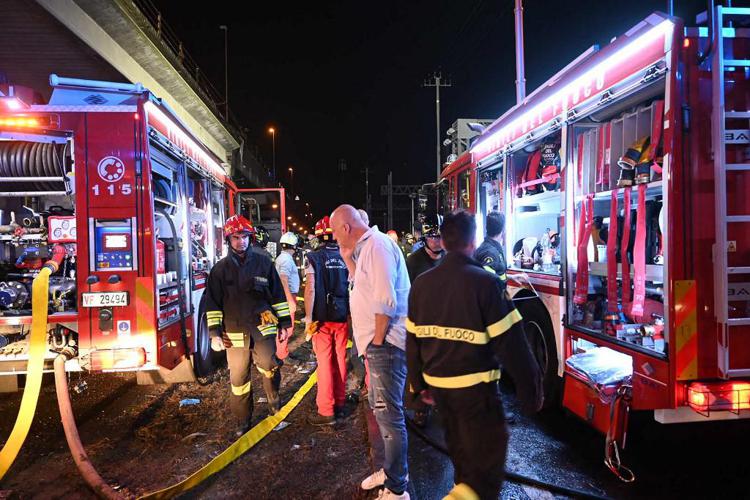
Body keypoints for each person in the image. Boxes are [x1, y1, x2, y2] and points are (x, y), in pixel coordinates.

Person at [406, 210, 543, 500]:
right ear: (472, 243)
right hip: (476, 396)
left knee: (463, 463)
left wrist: (419, 387)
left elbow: (413, 341)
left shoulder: (421, 285)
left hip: (441, 394)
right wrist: (531, 392)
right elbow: (513, 344)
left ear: (443, 242)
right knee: (486, 474)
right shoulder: (485, 283)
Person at [330, 205, 410, 500]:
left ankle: (397, 489)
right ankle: (393, 472)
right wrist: (348, 261)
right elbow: (363, 290)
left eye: (336, 231)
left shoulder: (377, 246)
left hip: (386, 345)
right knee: (383, 414)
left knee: (389, 418)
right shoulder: (366, 249)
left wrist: (376, 342)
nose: (334, 238)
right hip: (379, 345)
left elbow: (385, 300)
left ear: (347, 228)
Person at [205, 215, 293, 436]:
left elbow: (278, 295)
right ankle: (243, 420)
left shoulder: (264, 263)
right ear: (228, 239)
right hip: (234, 332)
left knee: (269, 365)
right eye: (235, 237)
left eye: (244, 237)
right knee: (238, 378)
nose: (240, 242)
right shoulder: (220, 270)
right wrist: (214, 333)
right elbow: (212, 304)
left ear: (250, 238)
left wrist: (284, 323)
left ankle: (274, 403)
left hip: (263, 328)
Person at [304, 216, 350, 425]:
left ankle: (326, 409)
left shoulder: (313, 257)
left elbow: (311, 288)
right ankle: (340, 402)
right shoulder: (347, 255)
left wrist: (308, 318)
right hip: (342, 317)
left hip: (321, 320)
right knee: (340, 359)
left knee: (324, 362)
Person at [404, 215, 444, 427]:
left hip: (445, 321)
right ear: (426, 239)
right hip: (421, 321)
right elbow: (407, 291)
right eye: (433, 237)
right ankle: (420, 407)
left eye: (440, 237)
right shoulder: (413, 261)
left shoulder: (448, 257)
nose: (437, 241)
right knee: (419, 365)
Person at [275, 232, 300, 360]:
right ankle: (281, 355)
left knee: (285, 327)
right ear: (294, 246)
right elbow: (283, 279)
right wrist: (290, 300)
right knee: (286, 328)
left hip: (285, 296)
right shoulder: (286, 260)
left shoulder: (282, 258)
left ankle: (281, 352)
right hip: (287, 296)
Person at [406, 216, 444, 283]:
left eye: (441, 237)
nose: (438, 241)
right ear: (425, 238)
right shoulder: (412, 262)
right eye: (434, 238)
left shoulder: (450, 258)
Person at [474, 211, 507, 282]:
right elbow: (487, 279)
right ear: (503, 230)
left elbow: (495, 274)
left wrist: (512, 277)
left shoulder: (489, 247)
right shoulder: (491, 253)